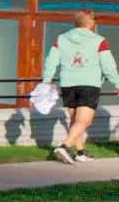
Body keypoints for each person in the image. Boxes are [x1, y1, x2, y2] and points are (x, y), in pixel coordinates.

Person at [42, 9, 118, 163]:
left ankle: (80, 152)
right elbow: (108, 66)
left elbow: (51, 61)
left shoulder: (61, 39)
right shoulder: (99, 40)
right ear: (90, 23)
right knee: (84, 121)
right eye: (93, 20)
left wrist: (47, 80)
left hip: (68, 84)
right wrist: (117, 83)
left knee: (75, 120)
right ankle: (64, 146)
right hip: (89, 84)